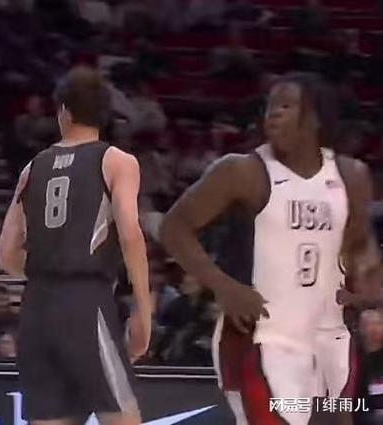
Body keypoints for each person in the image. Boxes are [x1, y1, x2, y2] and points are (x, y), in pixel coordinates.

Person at [161, 72, 380, 425]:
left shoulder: (352, 176)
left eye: (286, 105)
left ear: (316, 117)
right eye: (270, 106)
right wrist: (223, 286)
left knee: (337, 418)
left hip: (329, 335)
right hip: (258, 337)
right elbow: (174, 227)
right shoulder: (240, 171)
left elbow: (360, 246)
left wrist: (369, 292)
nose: (273, 113)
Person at [0, 66, 150, 425]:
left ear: (63, 111)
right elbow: (130, 233)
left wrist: (46, 273)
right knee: (122, 418)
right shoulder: (117, 161)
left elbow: (5, 254)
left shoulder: (32, 167)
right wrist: (143, 309)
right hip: (85, 300)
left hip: (36, 307)